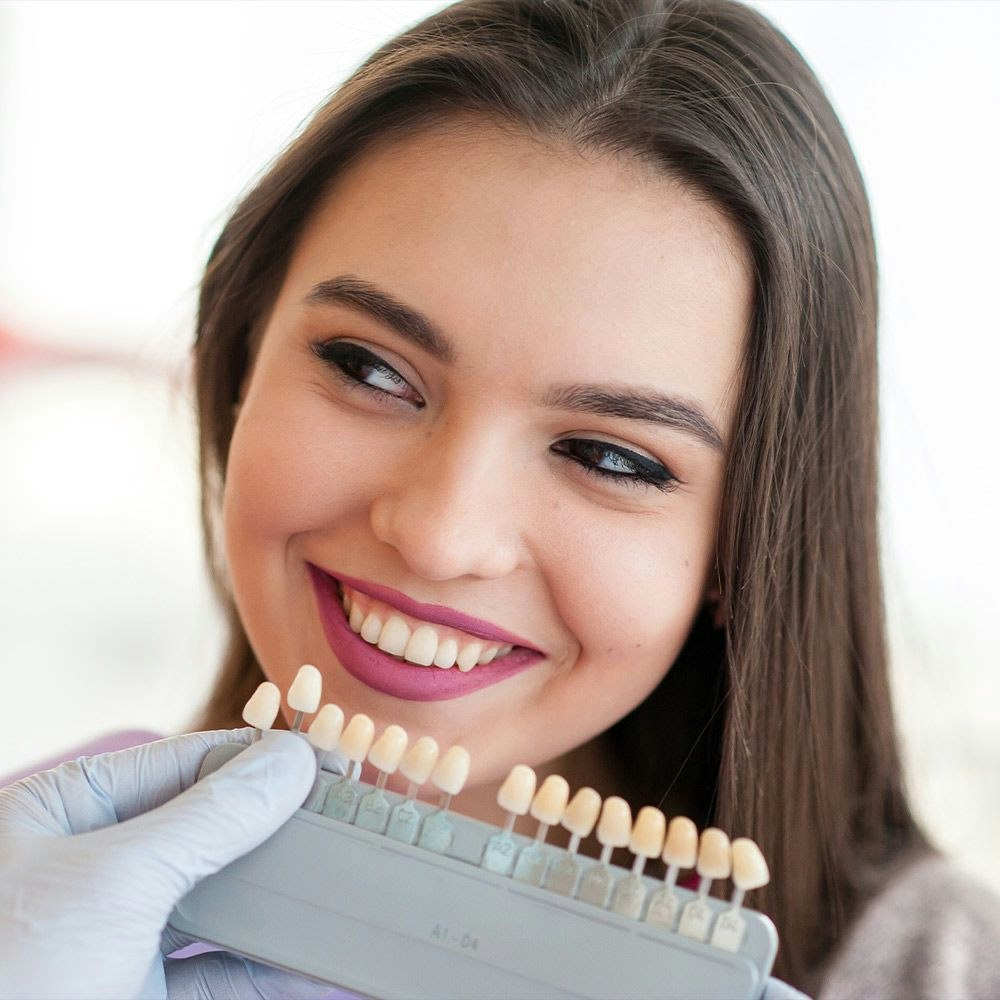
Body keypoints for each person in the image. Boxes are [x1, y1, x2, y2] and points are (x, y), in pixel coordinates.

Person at [3, 0, 1000, 997]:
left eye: (608, 457)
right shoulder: (45, 891)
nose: (439, 536)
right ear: (240, 360)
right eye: (369, 368)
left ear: (744, 545)